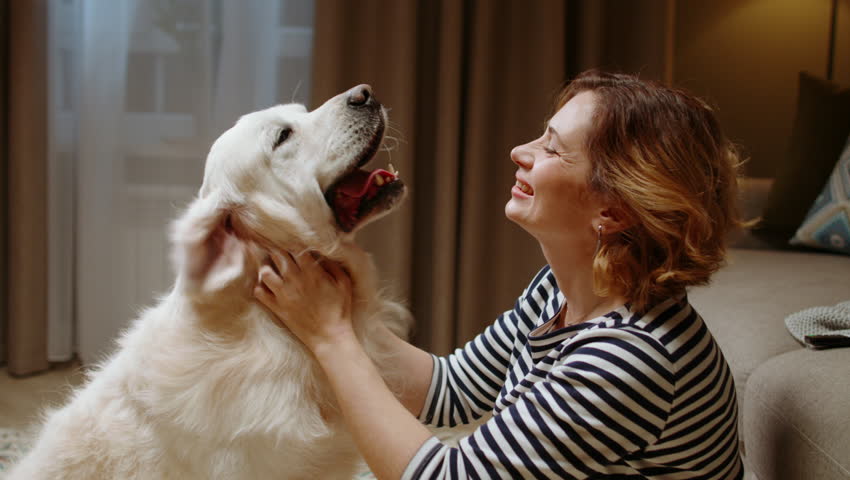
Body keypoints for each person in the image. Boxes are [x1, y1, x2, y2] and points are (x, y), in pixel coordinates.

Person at [254, 70, 746, 479]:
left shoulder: (630, 359)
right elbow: (452, 391)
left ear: (613, 210)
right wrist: (332, 302)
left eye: (552, 149)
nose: (520, 151)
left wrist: (331, 337)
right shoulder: (563, 289)